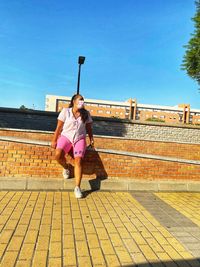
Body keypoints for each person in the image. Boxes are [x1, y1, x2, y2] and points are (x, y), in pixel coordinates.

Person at [51, 94, 94, 198]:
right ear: (74, 101)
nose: (82, 102)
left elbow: (89, 128)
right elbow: (59, 127)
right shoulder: (66, 111)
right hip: (66, 137)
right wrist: (54, 140)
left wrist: (91, 139)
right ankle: (66, 167)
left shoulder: (86, 114)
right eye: (80, 100)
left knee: (78, 160)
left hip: (80, 138)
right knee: (57, 155)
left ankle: (77, 187)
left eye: (83, 101)